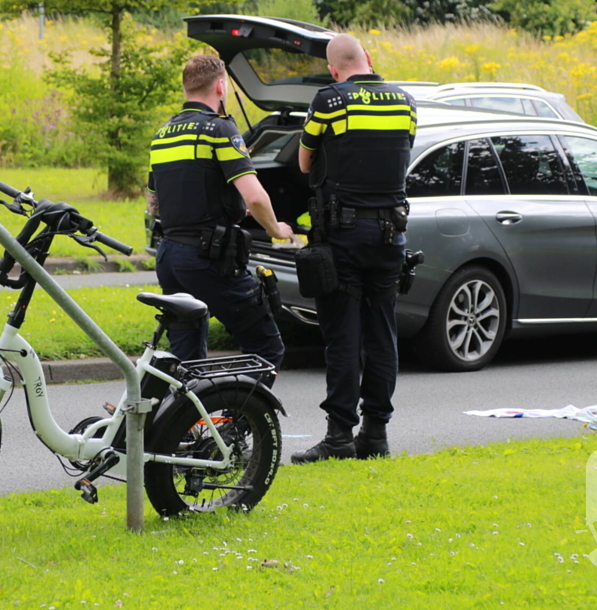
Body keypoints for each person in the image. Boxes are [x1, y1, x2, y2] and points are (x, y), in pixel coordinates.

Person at [291, 34, 416, 463]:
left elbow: (304, 163)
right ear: (369, 58)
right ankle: (376, 434)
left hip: (344, 234)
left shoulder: (329, 100)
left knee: (343, 336)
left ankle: (339, 436)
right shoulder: (405, 102)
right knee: (382, 333)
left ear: (333, 70)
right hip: (391, 234)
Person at [147, 55, 294, 374]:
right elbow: (254, 196)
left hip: (169, 257)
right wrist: (276, 229)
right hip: (207, 257)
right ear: (220, 86)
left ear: (186, 88)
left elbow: (154, 204)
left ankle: (190, 408)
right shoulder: (219, 128)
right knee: (266, 347)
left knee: (186, 360)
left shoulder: (162, 135)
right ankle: (236, 408)